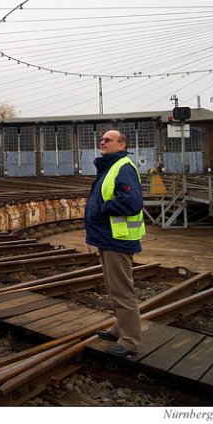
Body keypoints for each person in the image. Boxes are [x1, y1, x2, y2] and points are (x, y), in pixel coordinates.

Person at [84, 129, 146, 357]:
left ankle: (130, 341)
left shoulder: (123, 168)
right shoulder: (111, 167)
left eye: (108, 140)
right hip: (108, 237)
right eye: (102, 139)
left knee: (122, 291)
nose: (103, 142)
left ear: (121, 145)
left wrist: (103, 208)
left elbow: (132, 202)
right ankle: (119, 329)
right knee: (114, 288)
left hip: (118, 239)